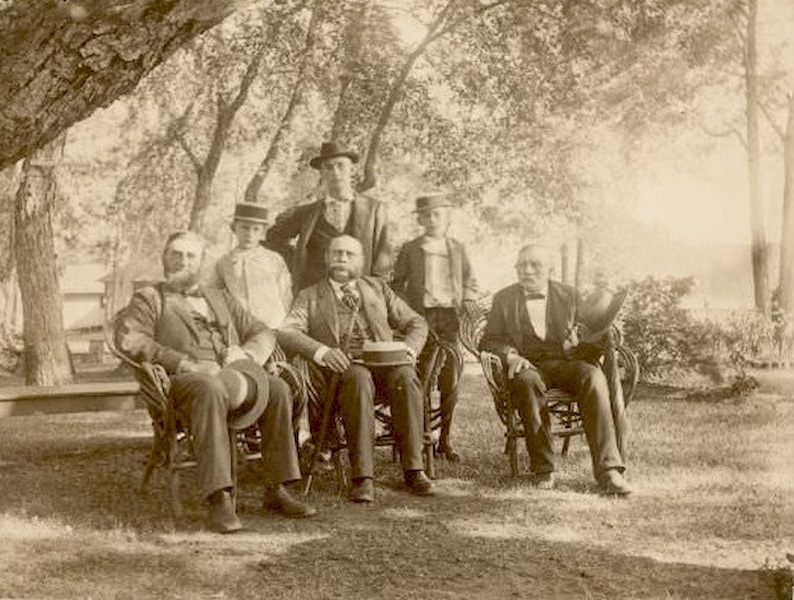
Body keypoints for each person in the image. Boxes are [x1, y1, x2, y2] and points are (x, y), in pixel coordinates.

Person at [114, 231, 316, 533]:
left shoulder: (218, 297)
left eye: (190, 255)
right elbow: (130, 338)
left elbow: (262, 331)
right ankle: (219, 498)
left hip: (229, 377)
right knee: (207, 387)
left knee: (277, 388)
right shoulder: (150, 298)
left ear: (201, 262)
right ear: (165, 259)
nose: (183, 261)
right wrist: (182, 362)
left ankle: (276, 489)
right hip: (178, 386)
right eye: (176, 254)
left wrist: (245, 353)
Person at [277, 235, 431, 503]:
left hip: (385, 366)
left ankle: (414, 469)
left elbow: (416, 322)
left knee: (406, 377)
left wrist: (409, 349)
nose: (342, 259)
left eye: (349, 254)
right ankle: (363, 477)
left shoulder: (378, 288)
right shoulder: (310, 296)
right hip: (341, 374)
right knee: (359, 378)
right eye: (336, 253)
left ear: (361, 261)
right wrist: (322, 352)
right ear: (327, 258)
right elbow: (287, 331)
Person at [479, 243, 632, 496]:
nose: (527, 271)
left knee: (593, 377)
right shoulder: (504, 298)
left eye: (535, 265)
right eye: (522, 265)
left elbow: (588, 331)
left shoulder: (569, 295)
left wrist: (580, 341)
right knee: (526, 381)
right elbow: (489, 340)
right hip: (529, 365)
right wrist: (511, 355)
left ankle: (608, 471)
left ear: (549, 269)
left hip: (565, 363)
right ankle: (543, 468)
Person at [392, 194, 478, 461]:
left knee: (450, 378)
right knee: (421, 376)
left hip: (449, 318)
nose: (431, 220)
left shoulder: (458, 248)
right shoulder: (410, 248)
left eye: (436, 214)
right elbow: (396, 285)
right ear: (419, 219)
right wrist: (407, 312)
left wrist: (469, 297)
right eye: (426, 215)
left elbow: (470, 280)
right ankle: (418, 437)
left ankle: (445, 441)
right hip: (421, 318)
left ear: (447, 217)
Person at [264, 141, 392, 293]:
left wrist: (373, 292)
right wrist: (298, 262)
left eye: (340, 165)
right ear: (322, 173)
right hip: (316, 293)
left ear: (352, 169)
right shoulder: (306, 212)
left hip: (359, 293)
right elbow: (273, 237)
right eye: (328, 167)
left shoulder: (374, 209)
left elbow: (383, 260)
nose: (335, 172)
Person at [211, 202, 292, 329]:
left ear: (262, 232)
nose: (250, 234)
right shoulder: (224, 262)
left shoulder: (273, 259)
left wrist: (287, 324)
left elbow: (286, 294)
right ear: (234, 228)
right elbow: (216, 295)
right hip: (241, 326)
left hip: (273, 323)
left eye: (256, 229)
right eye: (244, 227)